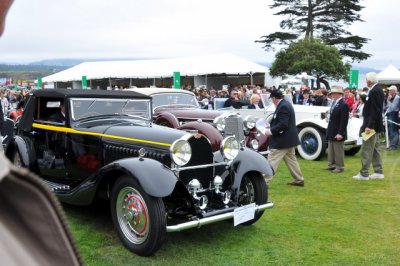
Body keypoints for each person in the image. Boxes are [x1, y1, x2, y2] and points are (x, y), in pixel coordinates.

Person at [264, 89, 305, 187]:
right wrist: (271, 126)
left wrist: (270, 131)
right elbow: (282, 122)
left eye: (272, 99)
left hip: (283, 140)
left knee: (272, 159)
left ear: (274, 98)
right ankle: (299, 179)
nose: (272, 100)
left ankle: (264, 181)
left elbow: (283, 124)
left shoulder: (283, 106)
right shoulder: (285, 104)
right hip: (288, 139)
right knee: (291, 160)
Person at [353, 72, 385, 180]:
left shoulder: (375, 91)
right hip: (375, 124)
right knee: (375, 149)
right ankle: (378, 171)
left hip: (372, 125)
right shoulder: (377, 90)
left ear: (370, 81)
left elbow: (374, 110)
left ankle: (364, 173)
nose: (366, 81)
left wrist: (369, 126)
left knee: (367, 149)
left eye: (366, 79)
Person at [326, 86, 349, 173]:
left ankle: (340, 166)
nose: (332, 95)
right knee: (331, 148)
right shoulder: (334, 103)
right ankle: (331, 164)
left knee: (338, 150)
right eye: (332, 93)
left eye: (334, 93)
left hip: (338, 130)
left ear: (339, 94)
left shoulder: (343, 104)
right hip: (332, 129)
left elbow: (344, 121)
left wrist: (340, 133)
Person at [385, 85, 399, 150]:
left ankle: (393, 146)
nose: (389, 91)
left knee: (394, 130)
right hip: (390, 114)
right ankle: (391, 145)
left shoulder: (397, 98)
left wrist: (388, 100)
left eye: (390, 90)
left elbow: (392, 108)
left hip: (394, 114)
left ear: (394, 91)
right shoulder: (392, 97)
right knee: (391, 130)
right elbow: (387, 107)